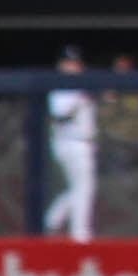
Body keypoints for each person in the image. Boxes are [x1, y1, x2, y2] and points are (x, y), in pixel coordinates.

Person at [49, 46, 101, 241]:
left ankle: (53, 219)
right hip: (70, 142)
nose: (73, 66)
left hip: (84, 142)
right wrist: (80, 98)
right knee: (84, 188)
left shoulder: (81, 85)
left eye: (76, 63)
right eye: (68, 63)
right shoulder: (61, 87)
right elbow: (60, 114)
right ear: (61, 65)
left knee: (80, 187)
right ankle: (80, 234)